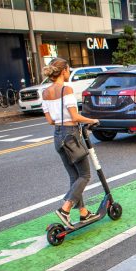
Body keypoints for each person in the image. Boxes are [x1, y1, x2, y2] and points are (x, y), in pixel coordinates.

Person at [41, 58, 100, 228]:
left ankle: (83, 212)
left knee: (75, 177)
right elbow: (75, 117)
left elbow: (50, 120)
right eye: (68, 69)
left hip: (58, 136)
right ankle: (65, 209)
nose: (69, 72)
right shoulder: (66, 89)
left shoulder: (45, 92)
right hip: (71, 135)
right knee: (85, 175)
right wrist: (93, 119)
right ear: (64, 70)